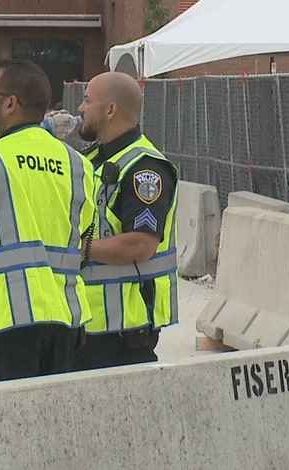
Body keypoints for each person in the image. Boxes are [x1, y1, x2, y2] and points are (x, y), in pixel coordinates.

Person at [0, 59, 96, 385]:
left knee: (5, 430)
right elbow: (84, 245)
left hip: (5, 326)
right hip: (65, 321)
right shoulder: (78, 165)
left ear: (10, 103)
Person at [71, 71, 179, 371]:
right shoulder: (94, 159)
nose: (80, 108)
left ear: (110, 110)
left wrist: (80, 249)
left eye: (87, 101)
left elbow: (141, 244)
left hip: (123, 331)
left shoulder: (145, 168)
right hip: (88, 323)